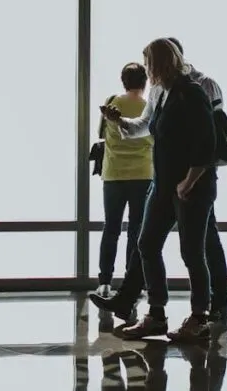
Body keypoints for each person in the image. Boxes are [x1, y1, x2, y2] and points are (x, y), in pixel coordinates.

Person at [93, 37, 227, 332]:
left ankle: (200, 317)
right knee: (147, 243)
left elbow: (207, 145)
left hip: (191, 186)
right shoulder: (161, 92)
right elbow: (145, 127)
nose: (146, 71)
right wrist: (118, 122)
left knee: (193, 251)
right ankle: (156, 314)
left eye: (148, 64)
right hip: (164, 183)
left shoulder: (193, 92)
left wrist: (188, 181)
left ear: (159, 63)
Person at [95, 62, 153, 297]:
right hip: (142, 174)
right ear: (145, 81)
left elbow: (101, 134)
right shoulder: (149, 107)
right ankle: (132, 282)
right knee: (136, 231)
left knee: (111, 228)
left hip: (114, 175)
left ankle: (105, 282)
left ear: (123, 81)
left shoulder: (112, 103)